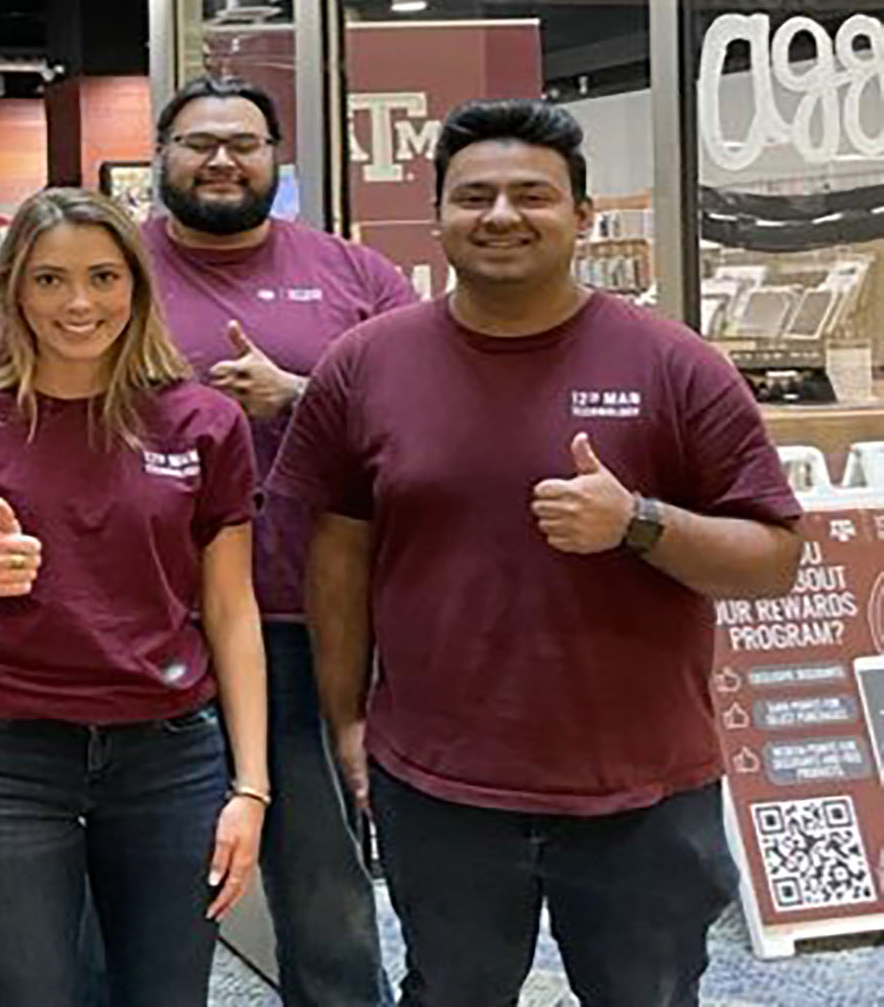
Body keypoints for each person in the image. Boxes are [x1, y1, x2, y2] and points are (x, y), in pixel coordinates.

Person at [272, 99, 803, 1007]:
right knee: (449, 992)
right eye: (474, 196)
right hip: (440, 783)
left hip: (643, 790)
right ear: (437, 216)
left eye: (533, 195)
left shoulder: (675, 365)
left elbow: (773, 559)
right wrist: (348, 721)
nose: (503, 215)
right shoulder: (364, 367)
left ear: (582, 217)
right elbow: (338, 557)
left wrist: (638, 521)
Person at [0, 186, 269, 1007]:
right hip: (3, 760)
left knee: (168, 992)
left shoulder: (202, 421)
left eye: (103, 277)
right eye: (49, 279)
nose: (78, 303)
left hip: (170, 756)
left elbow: (232, 612)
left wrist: (251, 787)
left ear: (136, 287)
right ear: (14, 292)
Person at [142, 76, 411, 1006]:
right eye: (198, 142)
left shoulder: (356, 277)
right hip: (147, 626)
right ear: (162, 157)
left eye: (244, 142)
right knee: (146, 892)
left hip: (309, 623)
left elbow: (422, 426)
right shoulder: (110, 271)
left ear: (276, 159)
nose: (222, 159)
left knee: (327, 892)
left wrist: (300, 398)